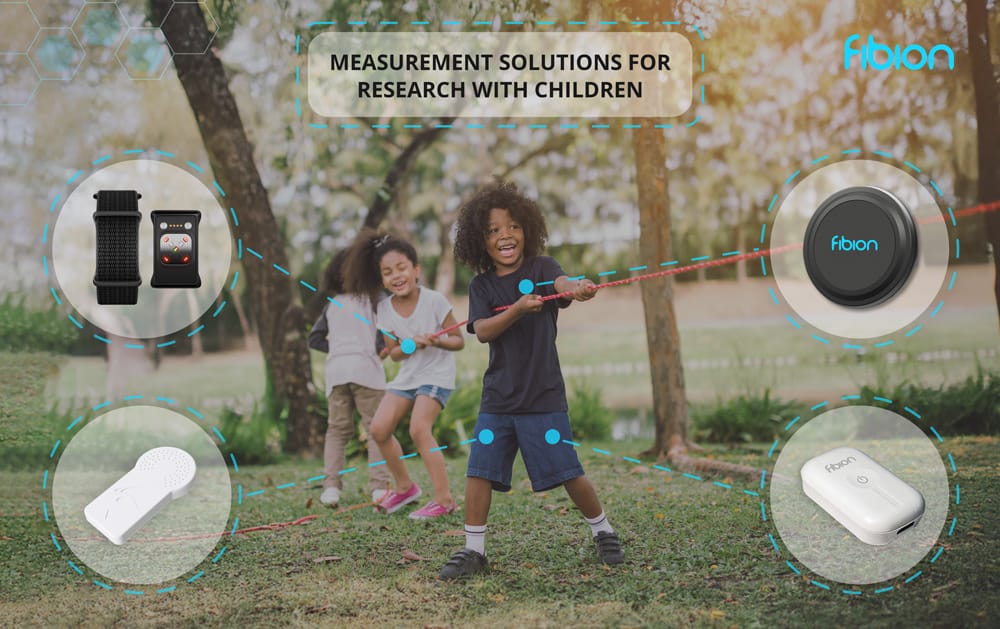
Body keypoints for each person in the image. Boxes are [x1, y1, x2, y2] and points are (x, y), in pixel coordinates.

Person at [439, 182, 625, 579]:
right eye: (492, 230)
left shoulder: (542, 269)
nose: (504, 235)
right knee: (479, 469)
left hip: (543, 398)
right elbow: (484, 330)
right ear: (480, 240)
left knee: (567, 469)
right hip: (498, 402)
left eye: (513, 226)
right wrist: (519, 310)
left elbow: (561, 285)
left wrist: (575, 287)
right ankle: (474, 551)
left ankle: (603, 531)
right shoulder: (483, 284)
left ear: (528, 230)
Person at [343, 230, 465, 519]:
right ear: (381, 279)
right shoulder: (383, 310)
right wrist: (411, 344)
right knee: (379, 429)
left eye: (401, 268)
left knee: (419, 429)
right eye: (387, 272)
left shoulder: (434, 301)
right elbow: (395, 353)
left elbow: (458, 341)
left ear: (416, 270)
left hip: (436, 374)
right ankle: (405, 487)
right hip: (409, 375)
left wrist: (437, 341)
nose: (396, 276)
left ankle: (445, 500)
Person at [308, 249, 392, 508]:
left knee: (337, 431)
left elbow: (314, 339)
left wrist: (338, 350)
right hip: (366, 371)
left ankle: (331, 488)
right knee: (376, 430)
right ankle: (379, 488)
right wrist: (380, 349)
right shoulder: (376, 300)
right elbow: (385, 334)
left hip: (337, 373)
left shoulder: (332, 305)